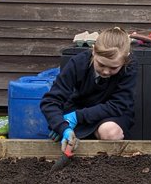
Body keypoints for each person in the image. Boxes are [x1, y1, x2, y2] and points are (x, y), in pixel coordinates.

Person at [41, 27, 137, 155]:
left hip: (112, 114)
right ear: (93, 52)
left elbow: (118, 104)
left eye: (113, 68)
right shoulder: (78, 63)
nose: (106, 71)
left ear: (125, 60)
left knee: (110, 132)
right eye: (101, 65)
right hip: (80, 107)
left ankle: (105, 165)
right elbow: (50, 101)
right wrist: (61, 126)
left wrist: (77, 117)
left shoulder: (129, 67)